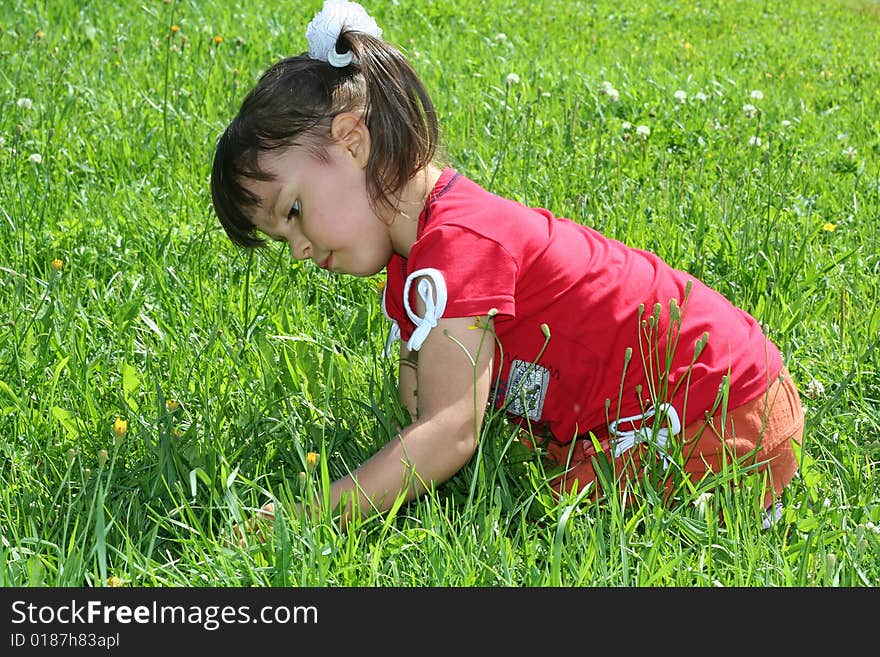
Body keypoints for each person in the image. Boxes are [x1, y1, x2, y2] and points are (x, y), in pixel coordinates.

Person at [210, 0, 804, 534]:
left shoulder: (461, 243)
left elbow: (449, 430)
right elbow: (421, 410)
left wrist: (315, 513)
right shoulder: (416, 263)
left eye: (293, 212)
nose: (299, 250)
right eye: (279, 237)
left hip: (722, 409)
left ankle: (750, 501)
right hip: (714, 397)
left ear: (351, 142)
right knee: (531, 495)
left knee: (560, 522)